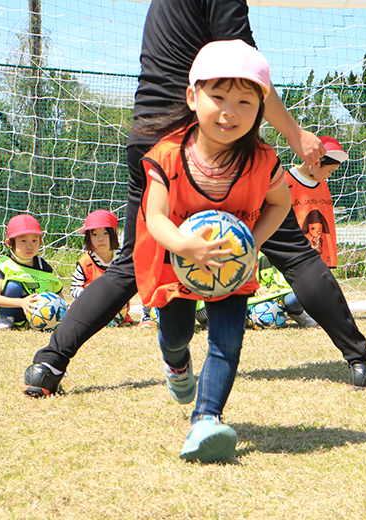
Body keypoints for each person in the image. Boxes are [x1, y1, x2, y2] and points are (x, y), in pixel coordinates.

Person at [23, 0, 366, 397]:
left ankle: (49, 362)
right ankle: (361, 361)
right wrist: (295, 135)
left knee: (130, 263)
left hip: (149, 138)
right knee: (295, 253)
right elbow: (246, 77)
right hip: (206, 141)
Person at [136, 40, 290, 462]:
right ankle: (177, 365)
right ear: (192, 96)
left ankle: (206, 420)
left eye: (245, 100)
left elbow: (281, 202)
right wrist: (185, 246)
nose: (230, 110)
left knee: (227, 340)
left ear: (260, 108)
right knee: (177, 335)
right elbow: (155, 216)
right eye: (218, 96)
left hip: (230, 270)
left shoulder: (263, 160)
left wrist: (253, 243)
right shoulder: (167, 156)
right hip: (175, 264)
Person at [0, 215, 63, 332]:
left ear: (40, 241)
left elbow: (56, 290)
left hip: (35, 314)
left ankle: (41, 321)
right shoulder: (4, 265)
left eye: (34, 240)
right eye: (23, 240)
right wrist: (22, 302)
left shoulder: (42, 265)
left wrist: (62, 307)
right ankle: (5, 318)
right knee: (14, 284)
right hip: (15, 312)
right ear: (9, 243)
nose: (30, 246)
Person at [287, 136, 347, 269]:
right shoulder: (286, 182)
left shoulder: (323, 186)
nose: (329, 175)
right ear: (316, 163)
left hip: (317, 258)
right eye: (330, 171)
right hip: (294, 258)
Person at [70, 209, 132, 326]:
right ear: (87, 237)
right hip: (90, 308)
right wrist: (90, 295)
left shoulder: (123, 259)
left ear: (116, 234)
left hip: (117, 309)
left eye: (105, 233)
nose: (100, 238)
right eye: (94, 234)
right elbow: (74, 289)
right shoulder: (85, 262)